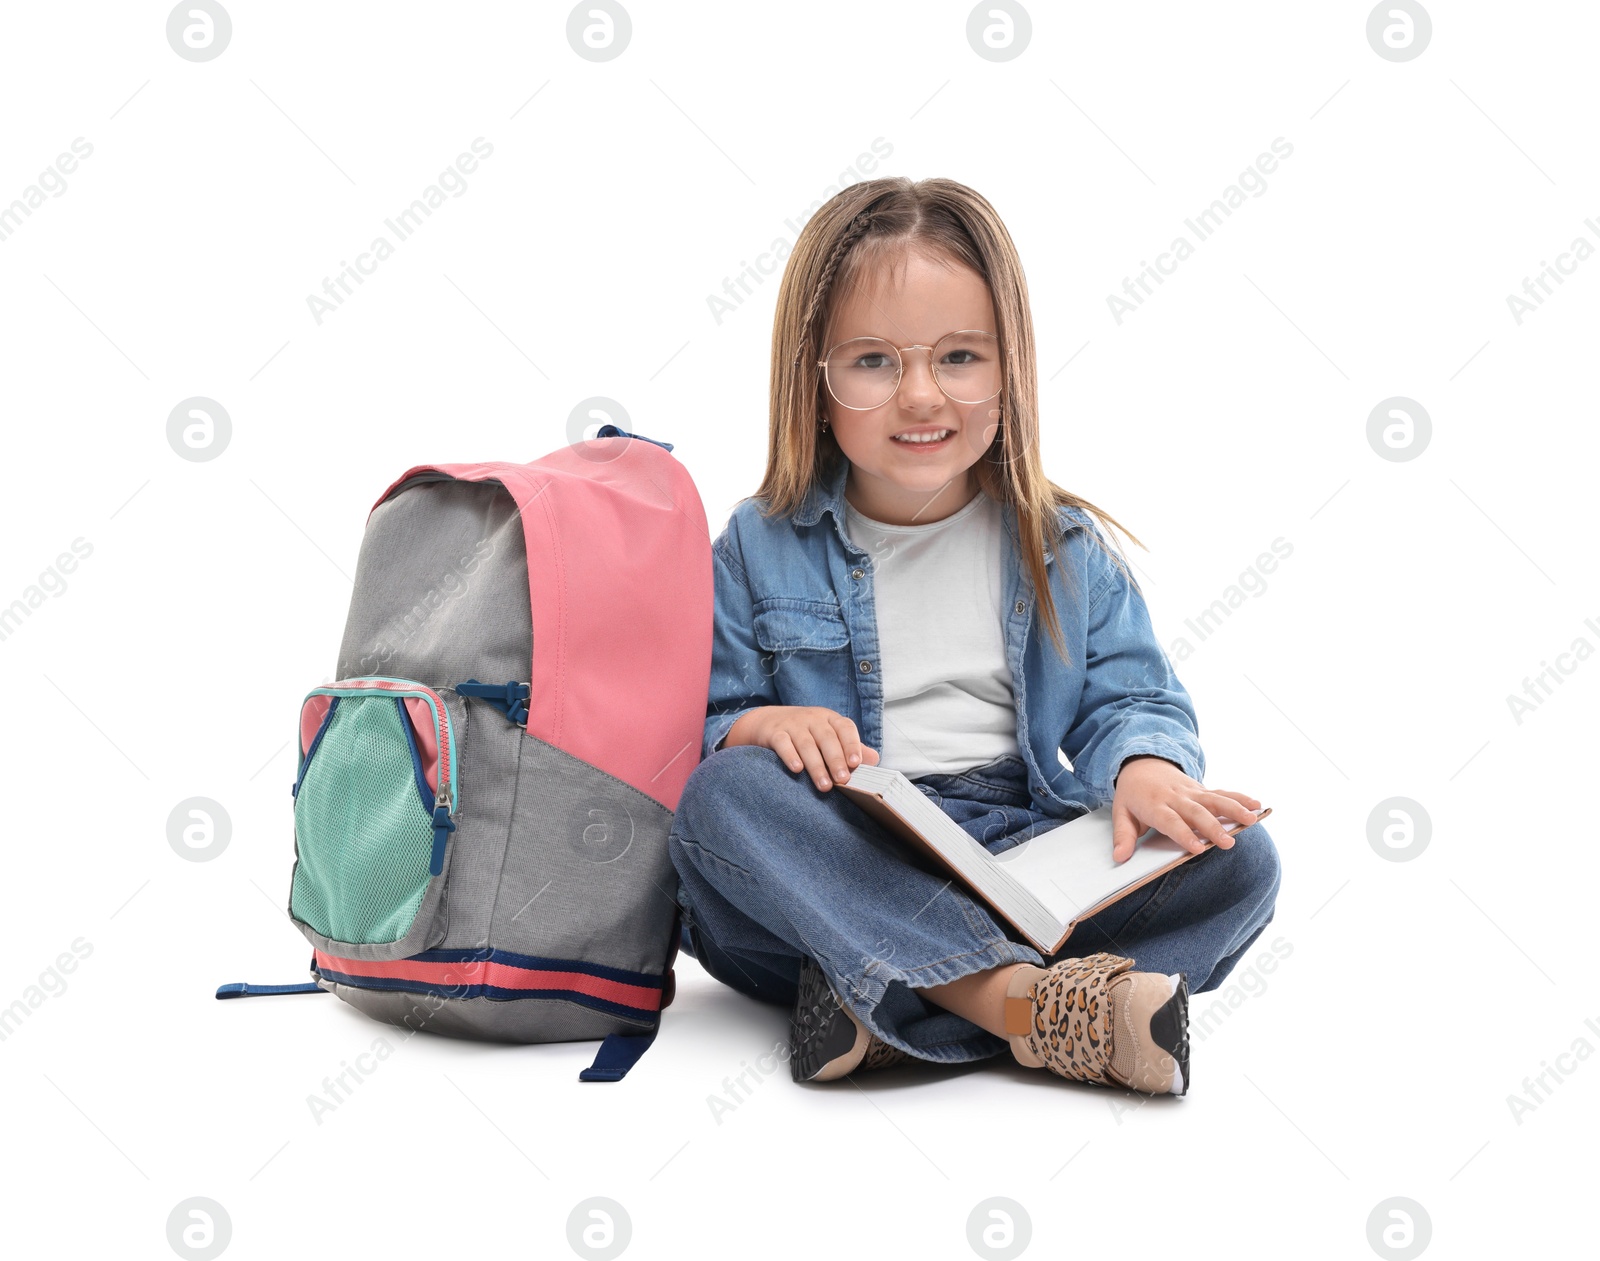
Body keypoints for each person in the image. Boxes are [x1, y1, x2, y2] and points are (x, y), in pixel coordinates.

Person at [667, 176, 1280, 1096]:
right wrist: (759, 729)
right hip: (852, 838)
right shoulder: (760, 543)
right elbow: (711, 719)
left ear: (1009, 369)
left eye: (959, 357)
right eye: (873, 361)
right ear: (816, 377)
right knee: (724, 802)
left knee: (1245, 863)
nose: (921, 395)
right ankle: (1025, 1009)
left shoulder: (1060, 545)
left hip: (1017, 842)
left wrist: (1145, 768)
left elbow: (1135, 698)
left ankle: (888, 1002)